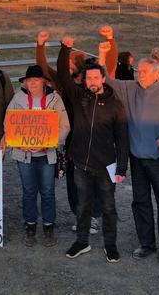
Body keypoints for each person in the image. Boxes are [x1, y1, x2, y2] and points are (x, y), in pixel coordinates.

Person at [98, 45, 159, 262]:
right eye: (137, 71)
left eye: (143, 72)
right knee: (140, 201)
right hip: (137, 158)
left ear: (156, 74)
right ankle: (146, 243)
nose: (139, 74)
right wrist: (103, 53)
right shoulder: (130, 88)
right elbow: (105, 79)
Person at [57, 36, 129, 263]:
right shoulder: (79, 98)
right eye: (89, 78)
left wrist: (122, 167)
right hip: (81, 163)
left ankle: (111, 245)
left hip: (106, 165)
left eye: (96, 77)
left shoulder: (115, 106)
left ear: (103, 78)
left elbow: (123, 138)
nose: (92, 81)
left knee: (108, 208)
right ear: (85, 80)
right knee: (83, 205)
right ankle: (82, 242)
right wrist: (65, 48)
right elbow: (61, 75)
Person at [35, 30, 106, 234]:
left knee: (94, 178)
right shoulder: (62, 82)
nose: (67, 66)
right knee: (74, 180)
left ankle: (94, 216)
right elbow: (43, 68)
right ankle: (80, 215)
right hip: (71, 139)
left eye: (71, 64)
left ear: (80, 67)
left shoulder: (90, 84)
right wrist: (40, 45)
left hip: (92, 137)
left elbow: (106, 72)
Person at [6, 65, 70, 248]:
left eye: (36, 80)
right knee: (28, 191)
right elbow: (8, 122)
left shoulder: (54, 99)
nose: (32, 83)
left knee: (48, 191)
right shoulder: (17, 99)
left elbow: (64, 126)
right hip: (23, 153)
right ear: (25, 82)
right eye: (29, 80)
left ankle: (49, 225)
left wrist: (47, 142)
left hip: (46, 153)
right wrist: (19, 142)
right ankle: (30, 225)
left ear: (43, 82)